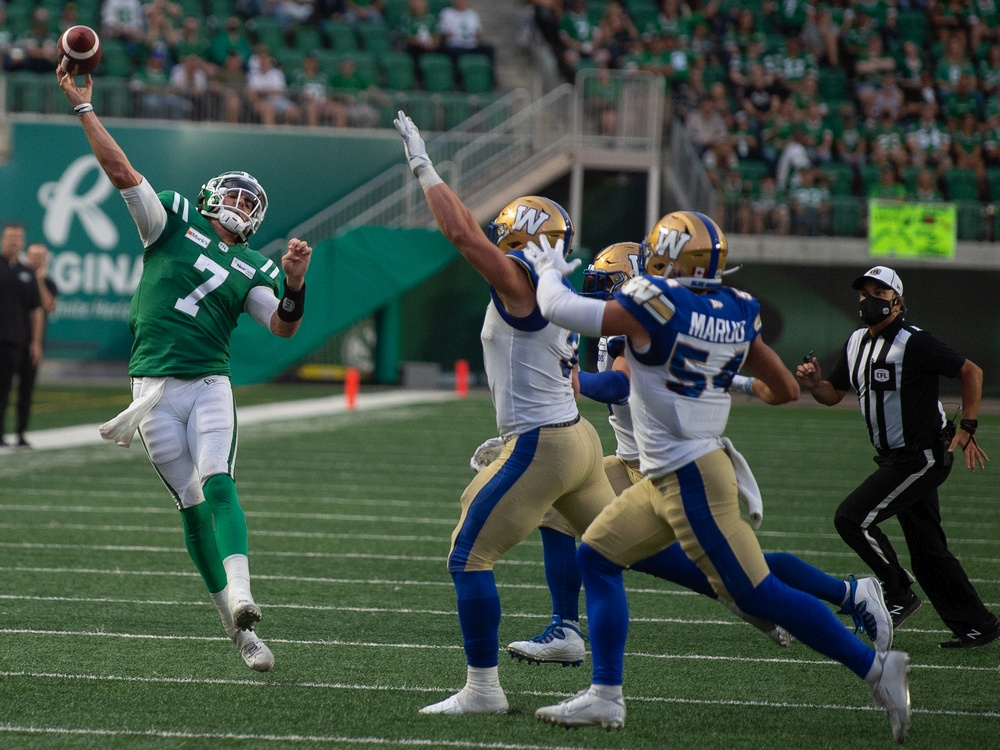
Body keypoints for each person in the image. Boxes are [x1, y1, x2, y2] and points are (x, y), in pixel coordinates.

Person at [524, 213, 912, 743]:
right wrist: (720, 381)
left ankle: (873, 665)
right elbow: (784, 390)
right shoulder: (736, 308)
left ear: (668, 258)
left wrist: (546, 268)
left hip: (688, 476)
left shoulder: (654, 303)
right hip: (672, 472)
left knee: (757, 594)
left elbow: (559, 308)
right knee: (595, 554)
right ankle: (605, 697)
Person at [56, 66, 314, 671]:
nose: (242, 206)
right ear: (209, 196)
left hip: (206, 384)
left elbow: (280, 324)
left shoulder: (255, 265)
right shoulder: (170, 219)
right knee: (191, 506)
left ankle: (245, 594)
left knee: (219, 483)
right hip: (150, 389)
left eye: (252, 202)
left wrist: (296, 283)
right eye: (236, 195)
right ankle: (236, 628)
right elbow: (121, 173)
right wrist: (84, 108)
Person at [394, 110, 619, 715]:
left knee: (468, 555)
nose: (497, 240)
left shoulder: (523, 280)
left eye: (507, 233)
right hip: (574, 438)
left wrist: (424, 165)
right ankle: (778, 598)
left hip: (545, 443)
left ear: (522, 235)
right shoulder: (555, 283)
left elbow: (464, 236)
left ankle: (484, 690)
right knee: (638, 553)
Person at [796, 266, 999, 649]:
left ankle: (898, 593)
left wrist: (968, 426)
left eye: (879, 292)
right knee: (927, 552)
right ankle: (978, 624)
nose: (868, 298)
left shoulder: (913, 342)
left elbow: (972, 372)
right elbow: (833, 393)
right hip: (895, 458)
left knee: (852, 518)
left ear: (897, 301)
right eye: (864, 292)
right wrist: (814, 385)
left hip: (921, 456)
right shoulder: (856, 342)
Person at [0, 223, 42, 449]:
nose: (14, 241)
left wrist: (35, 341)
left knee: (25, 391)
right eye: (10, 237)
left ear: (22, 241)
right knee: (2, 390)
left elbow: (36, 309)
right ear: (3, 239)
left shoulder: (27, 272)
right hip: (1, 340)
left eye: (18, 237)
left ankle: (21, 433)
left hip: (21, 341)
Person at [14, 242, 57, 448]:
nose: (37, 259)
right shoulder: (14, 276)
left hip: (33, 344)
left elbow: (48, 306)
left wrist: (38, 281)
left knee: (26, 391)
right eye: (34, 255)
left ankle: (21, 432)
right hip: (11, 341)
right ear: (26, 256)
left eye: (41, 255)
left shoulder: (47, 283)